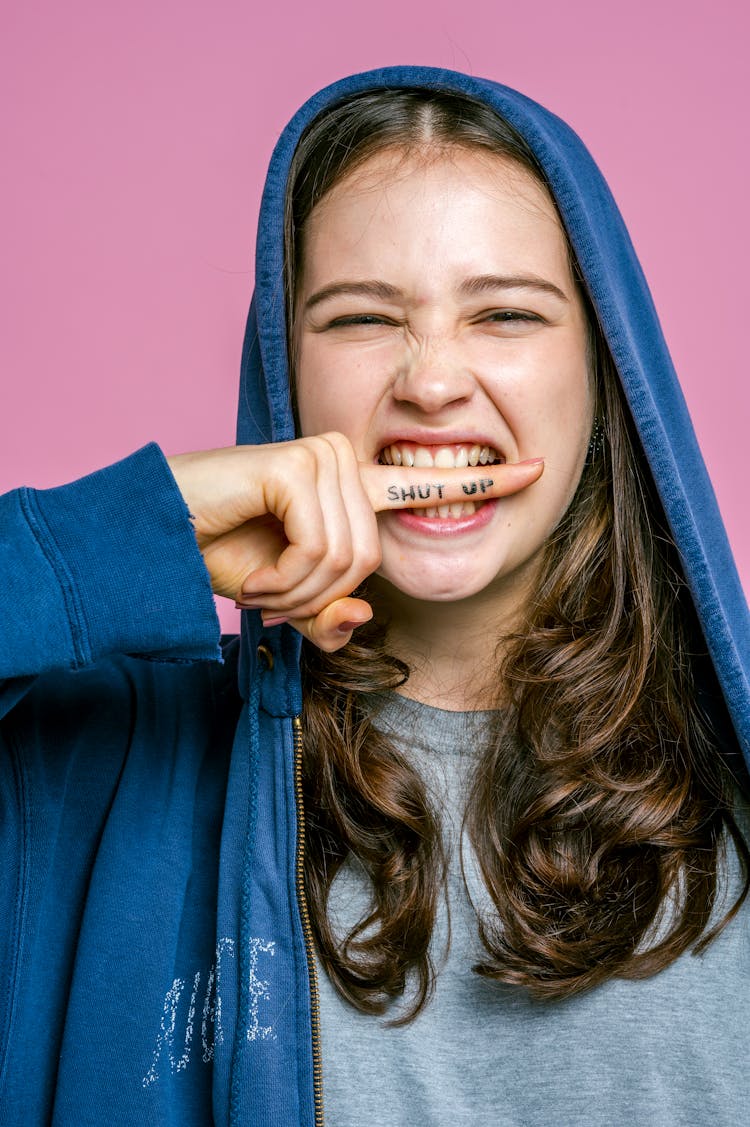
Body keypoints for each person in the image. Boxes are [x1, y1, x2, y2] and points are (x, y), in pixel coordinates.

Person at [1, 65, 749, 1127]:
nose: (433, 381)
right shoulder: (98, 764)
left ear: (605, 366)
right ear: (285, 370)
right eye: (360, 319)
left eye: (505, 314)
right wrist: (123, 536)